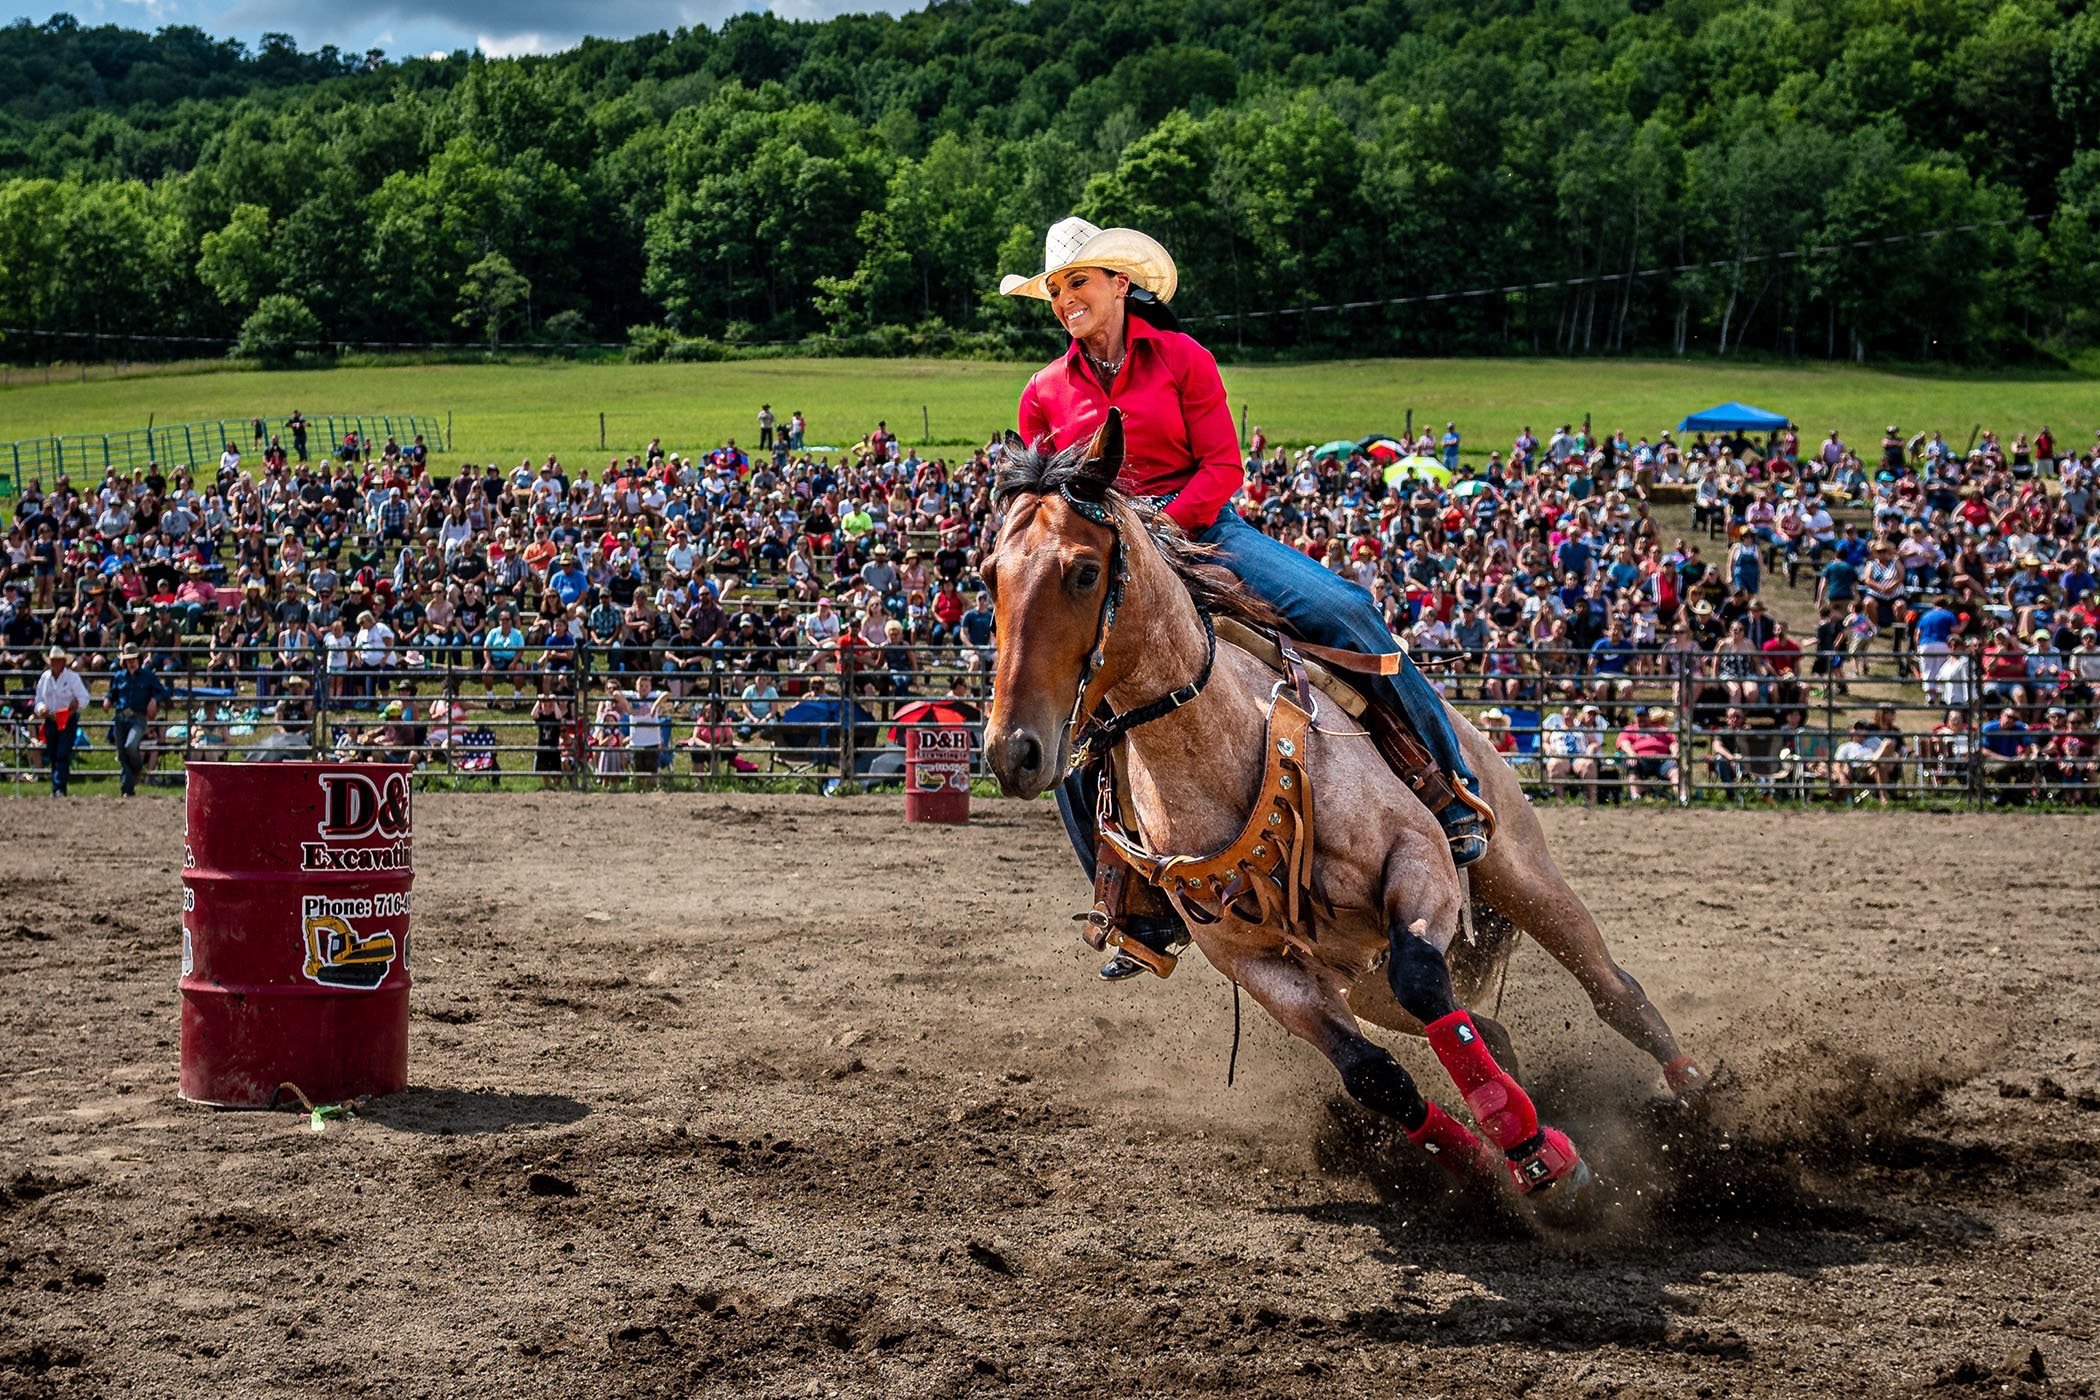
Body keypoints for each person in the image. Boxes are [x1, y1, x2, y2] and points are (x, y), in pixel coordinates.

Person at [1004, 217, 1490, 980]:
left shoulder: (1183, 359)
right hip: (1112, 569)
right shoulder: (1043, 394)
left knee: (1349, 613)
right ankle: (1131, 909)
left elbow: (1221, 466)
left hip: (1205, 531)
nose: (1066, 299)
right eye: (1057, 289)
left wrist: (1160, 532)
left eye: (1080, 283)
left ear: (1120, 284)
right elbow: (1042, 504)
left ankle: (1449, 790)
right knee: (1074, 724)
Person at [103, 642, 169, 797]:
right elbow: (112, 693)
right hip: (120, 717)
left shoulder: (148, 676)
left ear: (138, 659)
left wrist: (154, 699)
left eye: (133, 659)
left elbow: (164, 692)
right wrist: (107, 700)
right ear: (124, 661)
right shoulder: (118, 676)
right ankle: (128, 789)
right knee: (122, 753)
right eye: (128, 659)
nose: (131, 662)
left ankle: (138, 769)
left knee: (131, 746)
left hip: (139, 717)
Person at [33, 647, 92, 796]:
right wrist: (41, 710)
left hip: (67, 719)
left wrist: (76, 704)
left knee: (62, 753)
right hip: (51, 720)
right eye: (53, 661)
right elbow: (38, 700)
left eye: (58, 661)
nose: (55, 664)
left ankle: (59, 787)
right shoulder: (45, 678)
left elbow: (84, 698)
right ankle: (57, 788)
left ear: (63, 662)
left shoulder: (72, 678)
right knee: (53, 753)